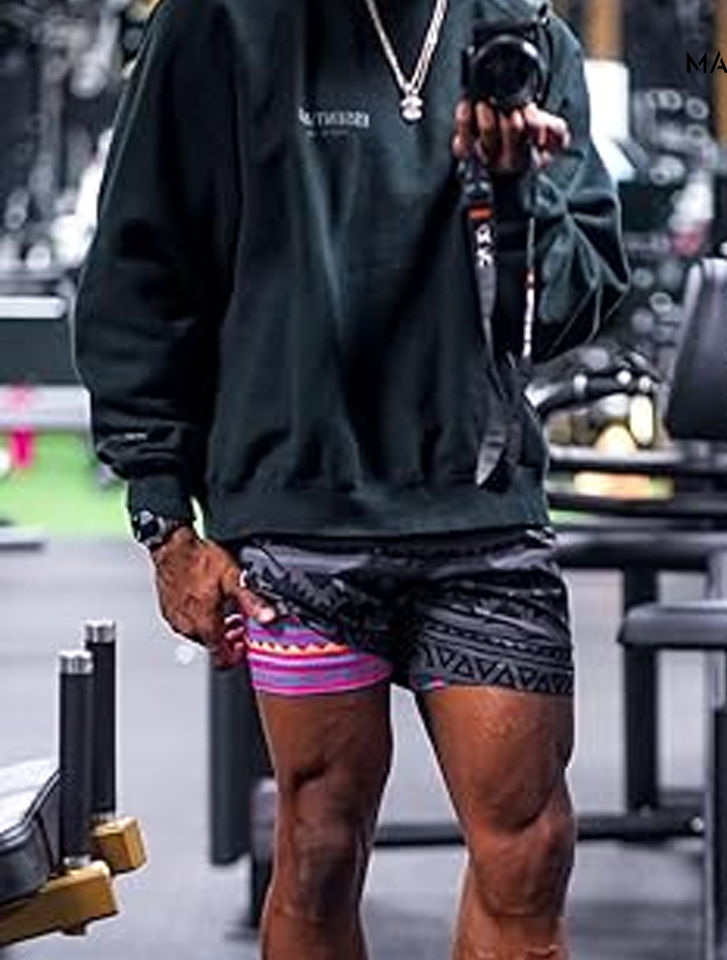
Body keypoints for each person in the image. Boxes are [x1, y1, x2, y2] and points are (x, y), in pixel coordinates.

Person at [74, 0, 628, 957]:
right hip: (300, 506)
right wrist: (164, 518)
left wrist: (516, 194)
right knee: (321, 845)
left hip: (480, 511)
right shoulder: (218, 23)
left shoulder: (523, 38)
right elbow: (140, 268)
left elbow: (574, 305)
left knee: (530, 850)